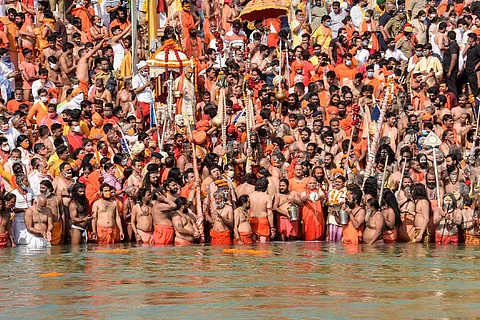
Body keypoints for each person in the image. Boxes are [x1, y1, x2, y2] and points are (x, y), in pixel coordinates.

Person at [249, 178, 274, 243]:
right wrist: (272, 227)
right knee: (263, 245)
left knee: (253, 244)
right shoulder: (267, 197)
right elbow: (270, 213)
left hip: (252, 220)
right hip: (263, 221)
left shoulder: (250, 196)